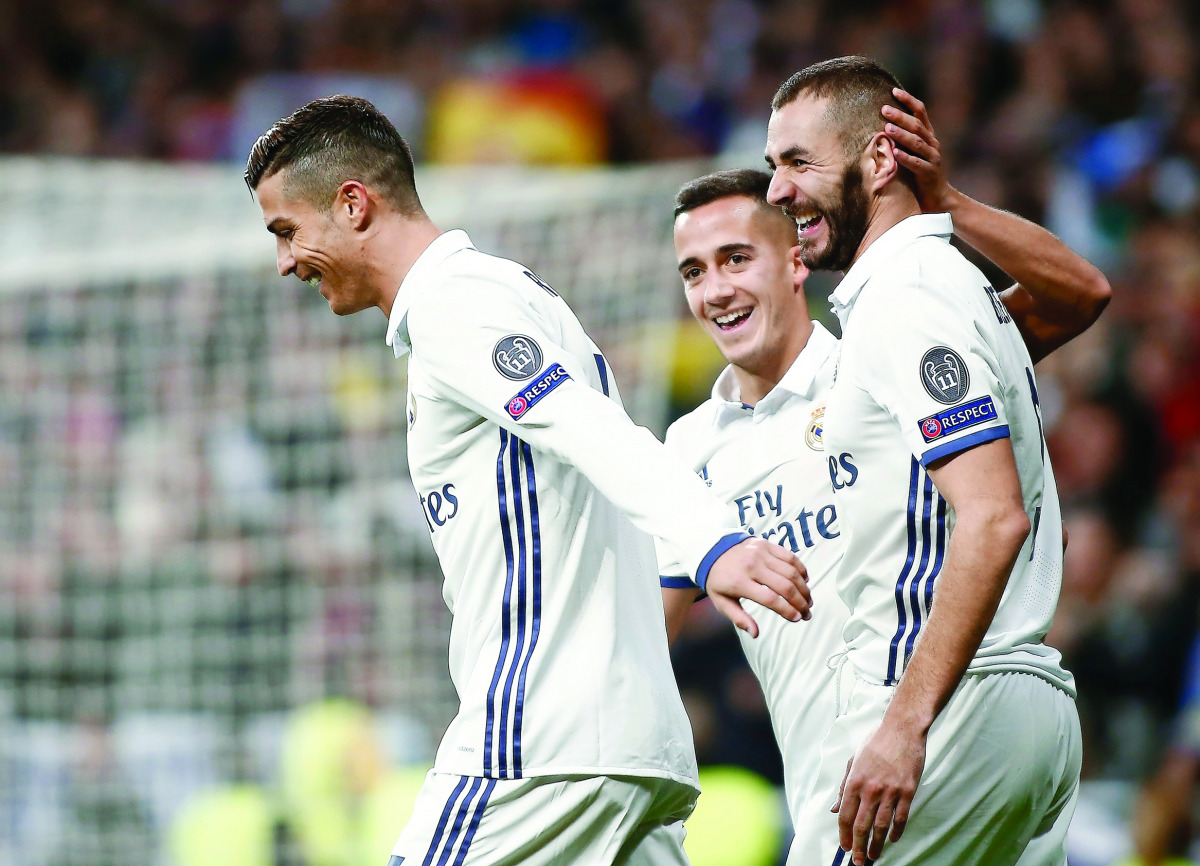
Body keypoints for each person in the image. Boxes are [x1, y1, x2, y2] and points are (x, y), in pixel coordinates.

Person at [243, 95, 811, 866]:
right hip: (625, 749)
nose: (285, 261)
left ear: (353, 204)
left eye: (287, 231)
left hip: (540, 744)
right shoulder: (501, 296)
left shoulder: (455, 304)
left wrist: (715, 543)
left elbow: (587, 427)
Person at [660, 90, 1109, 863]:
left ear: (795, 258)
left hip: (912, 738)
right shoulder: (689, 449)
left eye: (736, 258)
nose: (717, 288)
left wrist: (946, 203)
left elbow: (1077, 297)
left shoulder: (873, 362)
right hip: (854, 772)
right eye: (694, 271)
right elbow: (644, 630)